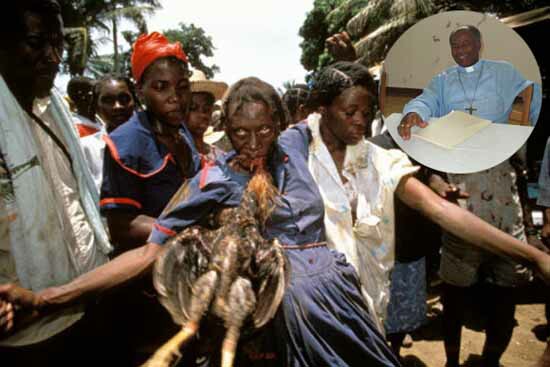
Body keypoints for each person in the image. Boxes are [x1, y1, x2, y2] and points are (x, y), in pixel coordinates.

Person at [2, 72, 550, 365]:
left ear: (283, 122)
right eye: (239, 132)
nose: (253, 142)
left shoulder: (297, 144)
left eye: (264, 129)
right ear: (225, 129)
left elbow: (360, 118)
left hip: (342, 293)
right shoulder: (215, 176)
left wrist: (528, 252)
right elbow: (148, 251)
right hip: (293, 308)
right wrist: (51, 297)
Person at [0, 0, 112, 365]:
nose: (52, 57)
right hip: (24, 333)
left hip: (82, 305)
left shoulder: (56, 113)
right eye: (36, 43)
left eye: (58, 45)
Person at [399, 25, 542, 140]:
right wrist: (414, 111)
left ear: (478, 45)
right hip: (453, 139)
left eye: (466, 44)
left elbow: (533, 91)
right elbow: (425, 100)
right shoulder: (443, 78)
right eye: (455, 46)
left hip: (495, 140)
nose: (460, 50)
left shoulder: (502, 70)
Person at [80, 73, 137, 191]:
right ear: (96, 106)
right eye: (108, 101)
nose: (117, 106)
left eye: (124, 99)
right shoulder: (86, 149)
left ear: (134, 101)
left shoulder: (153, 141)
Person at [187, 69, 227, 161]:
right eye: (193, 108)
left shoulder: (219, 157)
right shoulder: (171, 156)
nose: (202, 115)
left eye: (206, 109)